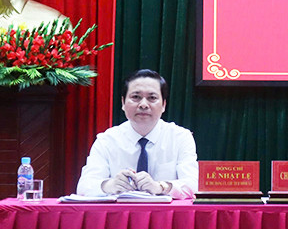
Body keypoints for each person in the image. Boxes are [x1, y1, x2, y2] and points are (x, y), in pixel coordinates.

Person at [76, 69, 198, 199]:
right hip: (121, 211)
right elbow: (84, 187)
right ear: (123, 103)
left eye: (152, 98)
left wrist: (161, 187)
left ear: (163, 105)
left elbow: (193, 186)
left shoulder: (181, 138)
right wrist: (110, 185)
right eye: (136, 97)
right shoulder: (106, 140)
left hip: (166, 212)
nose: (143, 105)